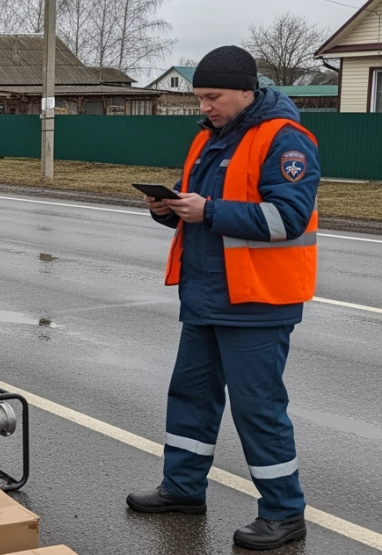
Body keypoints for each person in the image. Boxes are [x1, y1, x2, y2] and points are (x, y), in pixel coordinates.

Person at [127, 46, 319, 551]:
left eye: (212, 97)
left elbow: (287, 219)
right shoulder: (208, 138)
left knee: (258, 410)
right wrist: (167, 208)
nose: (204, 106)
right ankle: (184, 489)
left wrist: (207, 210)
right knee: (190, 397)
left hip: (258, 303)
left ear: (245, 90)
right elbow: (201, 211)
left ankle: (284, 513)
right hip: (208, 295)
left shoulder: (286, 140)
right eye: (200, 97)